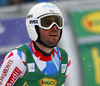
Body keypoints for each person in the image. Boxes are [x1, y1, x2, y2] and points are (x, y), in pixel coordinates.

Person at [0, 2, 71, 86]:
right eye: (47, 23)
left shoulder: (63, 58)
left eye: (58, 22)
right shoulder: (18, 57)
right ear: (33, 26)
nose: (54, 28)